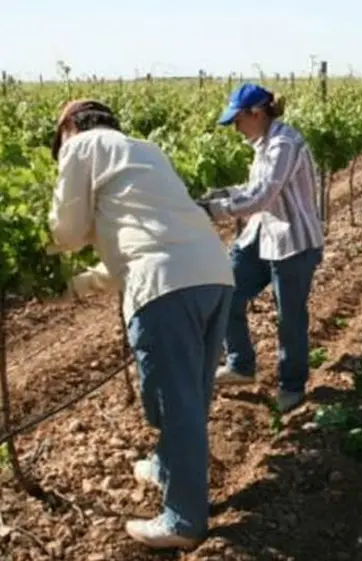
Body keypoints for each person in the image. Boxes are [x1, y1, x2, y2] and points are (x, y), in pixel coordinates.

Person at [47, 100, 235, 550]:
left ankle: (184, 522)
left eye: (59, 144)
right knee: (193, 394)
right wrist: (81, 284)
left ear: (70, 127)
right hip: (213, 274)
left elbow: (67, 233)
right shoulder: (144, 150)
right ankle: (168, 467)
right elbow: (136, 241)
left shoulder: (81, 147)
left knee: (174, 405)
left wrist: (43, 259)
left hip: (166, 287)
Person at [196, 83, 324, 413]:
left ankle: (292, 386)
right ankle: (241, 364)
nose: (236, 129)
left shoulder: (284, 143)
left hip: (293, 241)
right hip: (261, 235)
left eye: (238, 121)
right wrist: (219, 193)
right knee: (225, 292)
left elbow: (262, 196)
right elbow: (253, 188)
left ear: (257, 113)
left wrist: (212, 211)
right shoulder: (264, 144)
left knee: (289, 317)